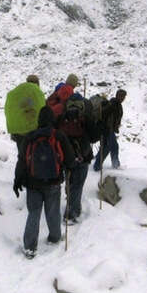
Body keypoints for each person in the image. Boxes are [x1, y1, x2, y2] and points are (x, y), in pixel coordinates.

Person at [13, 106, 75, 259]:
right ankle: (54, 237)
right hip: (53, 182)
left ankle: (30, 247)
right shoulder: (58, 136)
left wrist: (17, 180)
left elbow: (21, 160)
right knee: (52, 212)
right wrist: (68, 169)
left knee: (34, 213)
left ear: (39, 119)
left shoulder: (30, 137)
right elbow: (70, 160)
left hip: (33, 183)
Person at [57, 92, 101, 223]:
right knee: (78, 184)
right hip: (83, 155)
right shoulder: (85, 118)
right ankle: (71, 214)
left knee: (70, 182)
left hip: (66, 156)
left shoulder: (62, 118)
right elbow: (94, 137)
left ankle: (73, 204)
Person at [7, 74, 45, 154]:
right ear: (37, 83)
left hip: (16, 129)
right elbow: (42, 109)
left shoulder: (17, 91)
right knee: (34, 154)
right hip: (31, 129)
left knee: (22, 153)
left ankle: (22, 163)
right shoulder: (37, 91)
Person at [94, 89, 126, 171]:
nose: (123, 98)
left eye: (124, 97)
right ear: (117, 95)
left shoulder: (118, 105)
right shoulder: (112, 104)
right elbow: (104, 115)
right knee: (113, 146)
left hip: (109, 129)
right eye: (121, 96)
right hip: (106, 129)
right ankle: (115, 164)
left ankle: (97, 164)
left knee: (105, 147)